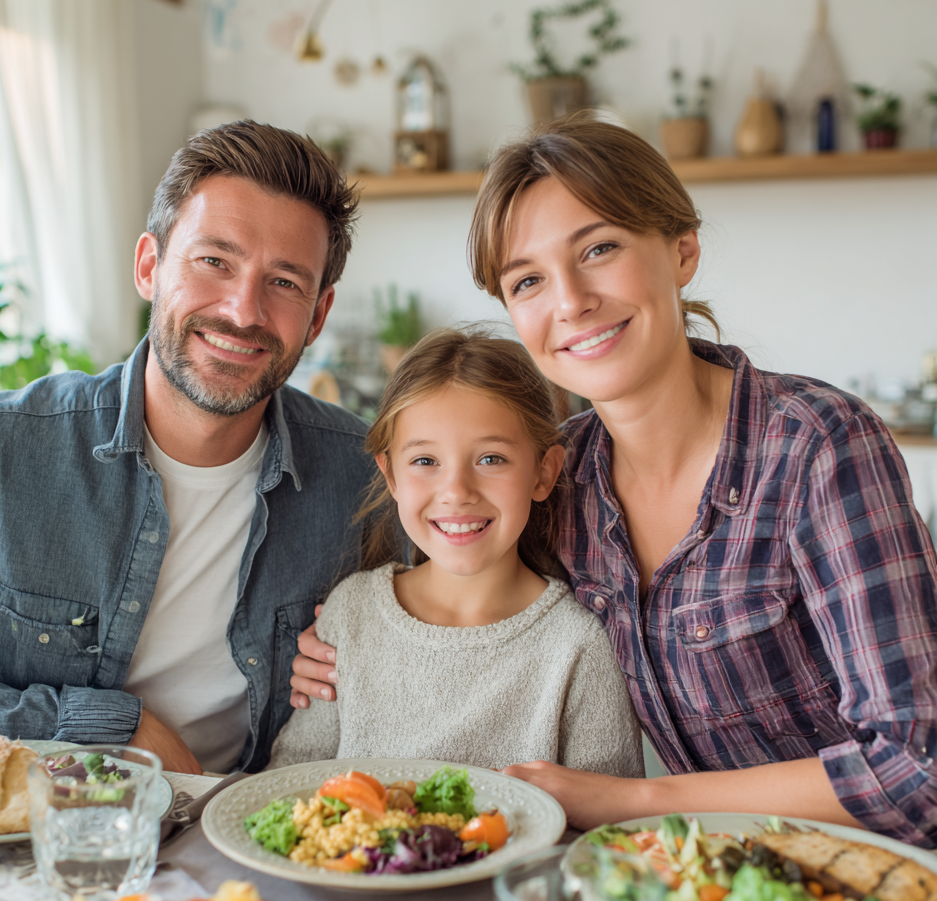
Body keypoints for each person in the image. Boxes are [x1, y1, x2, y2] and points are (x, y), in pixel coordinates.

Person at [291, 116, 937, 848]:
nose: (569, 301)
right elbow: (462, 572)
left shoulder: (817, 445)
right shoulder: (563, 477)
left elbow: (918, 770)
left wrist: (638, 800)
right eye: (528, 280)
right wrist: (345, 641)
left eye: (599, 249)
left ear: (682, 248)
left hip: (892, 886)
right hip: (719, 884)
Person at [0, 121, 374, 775]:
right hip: (63, 835)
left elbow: (461, 636)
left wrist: (372, 650)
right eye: (215, 262)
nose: (244, 312)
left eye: (284, 283)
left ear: (318, 316)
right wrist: (110, 725)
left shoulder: (368, 473)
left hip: (269, 839)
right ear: (150, 267)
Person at [267, 328, 642, 777]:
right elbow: (290, 779)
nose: (457, 492)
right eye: (425, 462)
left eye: (491, 459)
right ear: (391, 476)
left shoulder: (578, 645)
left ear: (543, 473)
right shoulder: (351, 613)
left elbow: (607, 827)